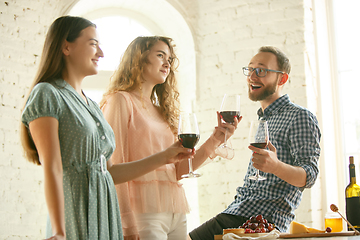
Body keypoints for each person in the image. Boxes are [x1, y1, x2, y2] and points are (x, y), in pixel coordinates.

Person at [20, 16, 192, 240]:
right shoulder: (47, 94)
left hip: (106, 209)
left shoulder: (90, 104)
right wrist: (59, 231)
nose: (101, 53)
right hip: (75, 207)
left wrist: (165, 157)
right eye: (93, 44)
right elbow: (52, 168)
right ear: (66, 46)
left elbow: (111, 172)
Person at [100, 36, 240, 240]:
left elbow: (178, 169)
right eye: (160, 55)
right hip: (142, 213)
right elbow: (114, 168)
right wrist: (126, 223)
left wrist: (216, 139)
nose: (167, 63)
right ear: (138, 59)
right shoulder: (120, 101)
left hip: (175, 210)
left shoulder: (160, 110)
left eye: (170, 59)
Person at [188, 46, 321, 240]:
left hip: (263, 222)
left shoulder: (300, 117)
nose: (252, 76)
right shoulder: (263, 120)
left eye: (261, 70)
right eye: (250, 70)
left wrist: (276, 166)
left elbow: (309, 176)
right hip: (239, 214)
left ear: (282, 78)